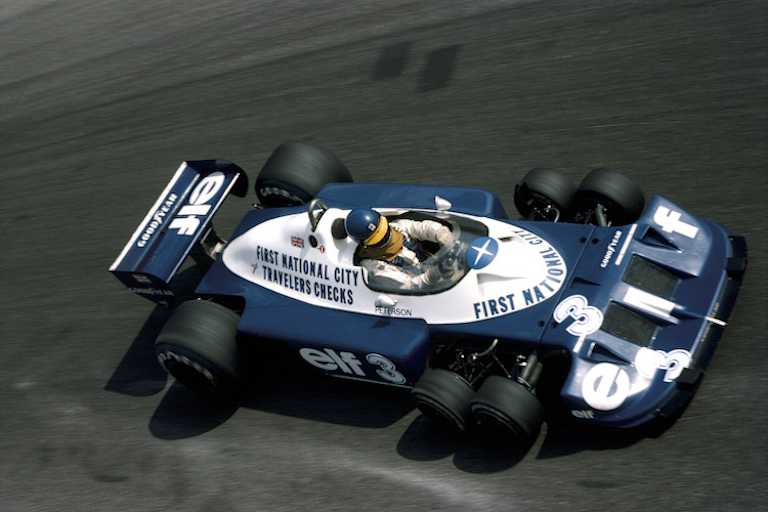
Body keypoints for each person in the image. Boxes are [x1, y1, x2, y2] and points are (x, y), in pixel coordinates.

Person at [345, 208, 457, 290]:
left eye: (386, 231)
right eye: (381, 239)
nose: (389, 237)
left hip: (435, 265)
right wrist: (435, 274)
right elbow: (411, 286)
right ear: (365, 245)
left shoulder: (397, 227)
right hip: (429, 290)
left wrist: (442, 235)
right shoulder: (375, 270)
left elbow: (423, 228)